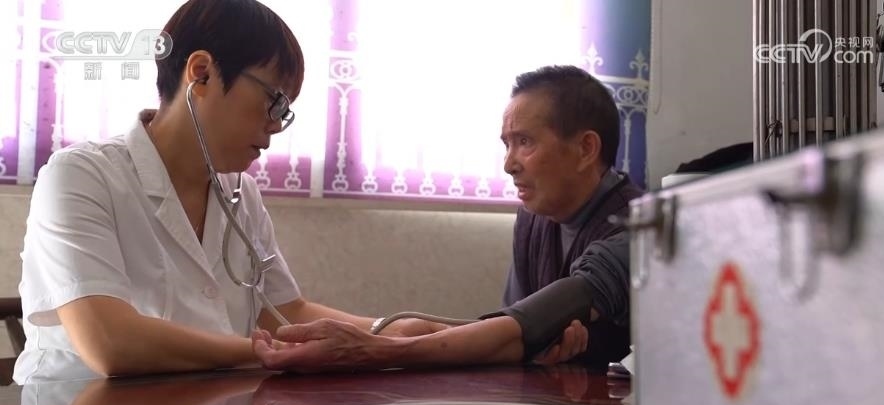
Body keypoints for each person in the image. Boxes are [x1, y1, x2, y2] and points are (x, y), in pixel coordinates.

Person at [13, 0, 582, 385]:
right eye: (274, 101)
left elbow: (287, 312)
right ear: (202, 73)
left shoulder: (239, 193)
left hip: (200, 404)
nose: (276, 126)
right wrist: (277, 352)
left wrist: (398, 334)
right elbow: (111, 344)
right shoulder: (81, 176)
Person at [251, 65, 644, 372]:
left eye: (525, 142)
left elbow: (516, 332)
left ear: (586, 149)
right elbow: (514, 326)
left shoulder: (641, 229)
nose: (508, 165)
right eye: (506, 144)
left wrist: (374, 349)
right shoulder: (533, 219)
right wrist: (413, 333)